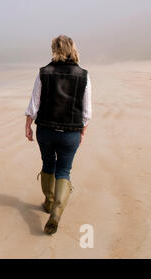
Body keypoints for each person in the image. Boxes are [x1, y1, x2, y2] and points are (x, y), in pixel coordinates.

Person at [24, 35, 92, 235]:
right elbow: (87, 112)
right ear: (73, 49)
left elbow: (34, 104)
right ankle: (57, 212)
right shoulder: (84, 75)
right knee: (64, 171)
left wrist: (28, 125)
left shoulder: (44, 72)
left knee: (48, 164)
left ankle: (49, 201)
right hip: (70, 133)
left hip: (45, 130)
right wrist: (82, 131)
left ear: (54, 49)